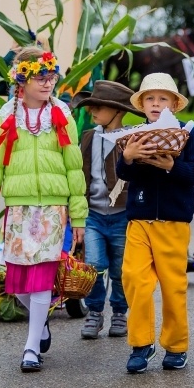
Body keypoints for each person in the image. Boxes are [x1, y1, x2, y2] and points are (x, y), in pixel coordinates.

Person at [0, 46, 87, 373]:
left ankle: (30, 347)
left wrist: (78, 216)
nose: (47, 83)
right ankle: (42, 324)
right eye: (40, 77)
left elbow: (74, 169)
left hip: (52, 209)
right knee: (19, 283)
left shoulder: (62, 115)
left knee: (40, 279)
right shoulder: (6, 117)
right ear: (21, 78)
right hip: (19, 210)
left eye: (51, 77)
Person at [118, 73, 194, 373]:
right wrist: (127, 157)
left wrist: (172, 166)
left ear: (174, 104)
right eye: (150, 99)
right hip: (140, 220)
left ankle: (176, 345)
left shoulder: (186, 133)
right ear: (142, 104)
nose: (156, 104)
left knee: (173, 287)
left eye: (163, 98)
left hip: (173, 222)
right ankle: (141, 344)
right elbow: (123, 173)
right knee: (134, 279)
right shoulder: (134, 134)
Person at [73, 81, 144, 340]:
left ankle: (119, 312)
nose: (92, 110)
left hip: (122, 215)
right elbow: (80, 174)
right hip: (93, 215)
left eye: (98, 107)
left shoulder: (131, 139)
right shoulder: (88, 137)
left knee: (119, 269)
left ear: (117, 111)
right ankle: (94, 312)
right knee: (93, 264)